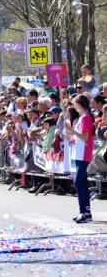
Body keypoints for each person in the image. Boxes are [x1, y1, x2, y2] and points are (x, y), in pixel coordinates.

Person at [63, 94, 95, 223]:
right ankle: (85, 212)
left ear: (79, 104)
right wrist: (71, 137)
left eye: (75, 103)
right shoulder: (82, 117)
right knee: (81, 183)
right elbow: (79, 138)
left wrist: (71, 130)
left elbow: (86, 137)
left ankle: (84, 211)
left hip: (84, 155)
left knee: (78, 182)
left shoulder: (86, 117)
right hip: (78, 154)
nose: (73, 106)